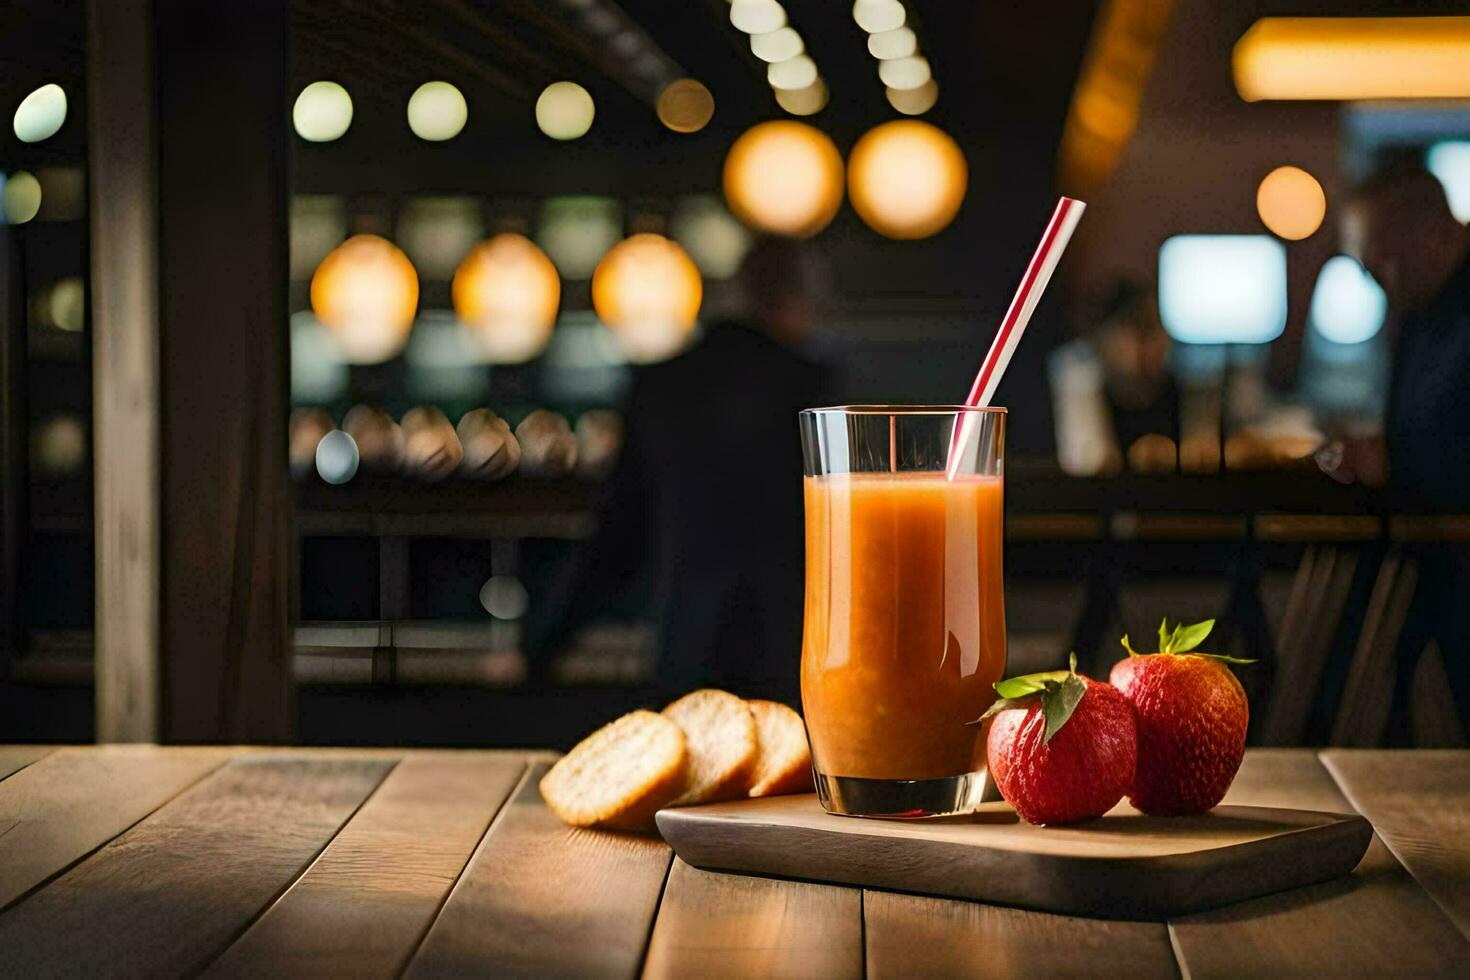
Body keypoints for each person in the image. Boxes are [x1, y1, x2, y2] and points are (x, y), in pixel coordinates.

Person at [527, 237, 834, 704]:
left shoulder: (660, 385)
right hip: (796, 667)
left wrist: (543, 645)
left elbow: (615, 537)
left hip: (685, 656)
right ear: (797, 300)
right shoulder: (817, 386)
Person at [1319, 162, 1470, 743]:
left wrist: (1395, 458)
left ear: (1435, 232)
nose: (1371, 276)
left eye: (1381, 258)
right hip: (1428, 563)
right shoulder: (1416, 305)